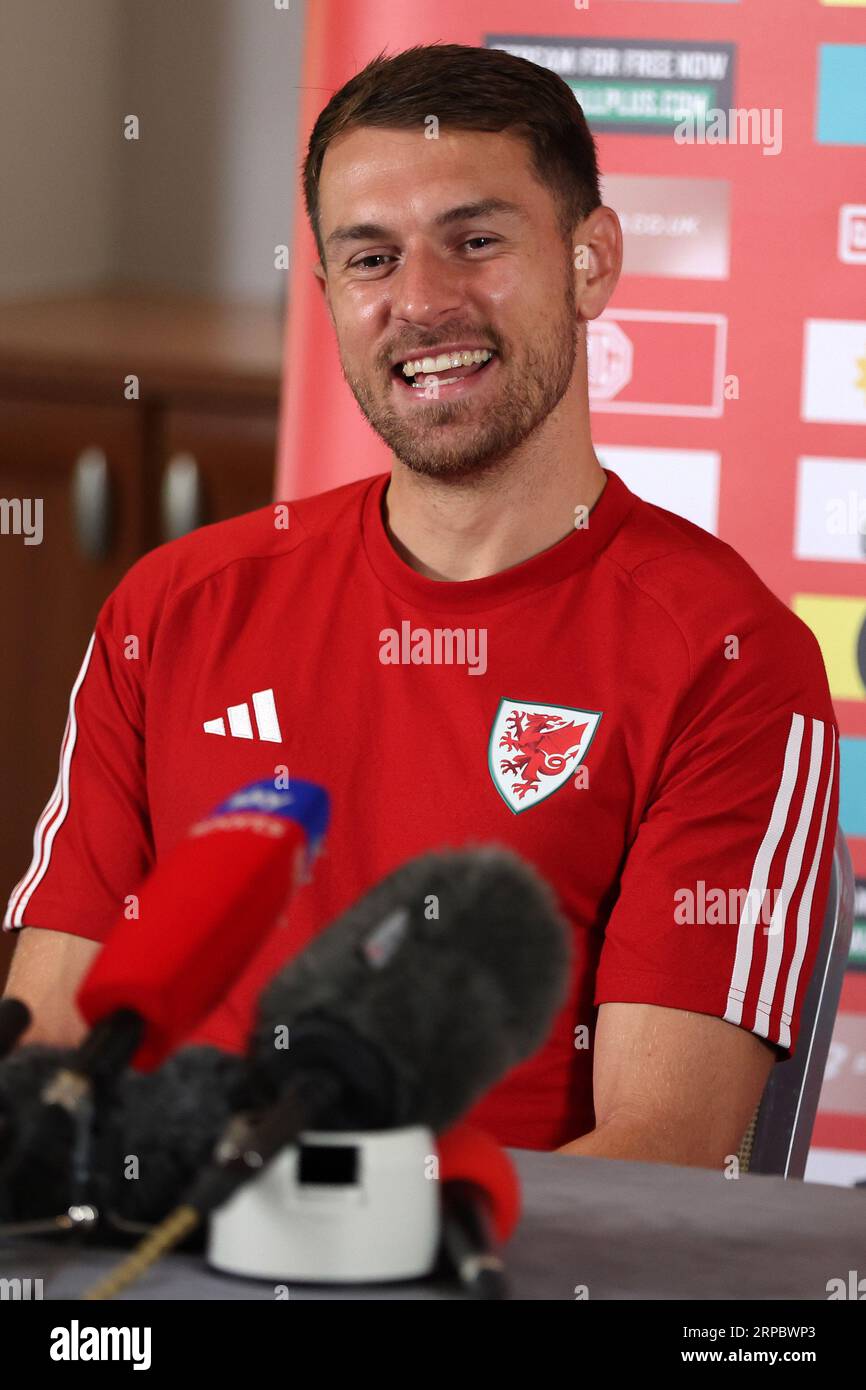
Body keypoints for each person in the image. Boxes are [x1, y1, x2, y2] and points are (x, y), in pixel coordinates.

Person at [3, 44, 838, 1163]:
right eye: (371, 258)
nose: (423, 301)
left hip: (496, 1252)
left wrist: (330, 1233)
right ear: (329, 298)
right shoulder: (174, 605)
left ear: (590, 262)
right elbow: (49, 1044)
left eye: (476, 241)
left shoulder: (729, 656)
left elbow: (664, 1150)